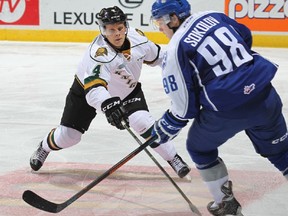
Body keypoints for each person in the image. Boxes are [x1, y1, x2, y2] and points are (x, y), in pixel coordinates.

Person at [150, 0, 288, 215]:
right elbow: (245, 36)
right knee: (281, 152)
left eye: (160, 21)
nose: (159, 27)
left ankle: (227, 205)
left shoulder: (176, 47)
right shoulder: (212, 15)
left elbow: (184, 106)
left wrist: (168, 125)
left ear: (174, 18)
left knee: (199, 149)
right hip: (264, 95)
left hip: (227, 109)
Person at [29, 6, 191, 179]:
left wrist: (184, 68)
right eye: (112, 30)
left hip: (127, 91)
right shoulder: (98, 53)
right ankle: (44, 146)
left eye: (120, 28)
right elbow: (94, 90)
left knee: (144, 123)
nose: (117, 33)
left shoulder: (138, 39)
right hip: (86, 91)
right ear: (103, 30)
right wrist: (108, 104)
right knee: (69, 137)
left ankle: (173, 158)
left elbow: (160, 57)